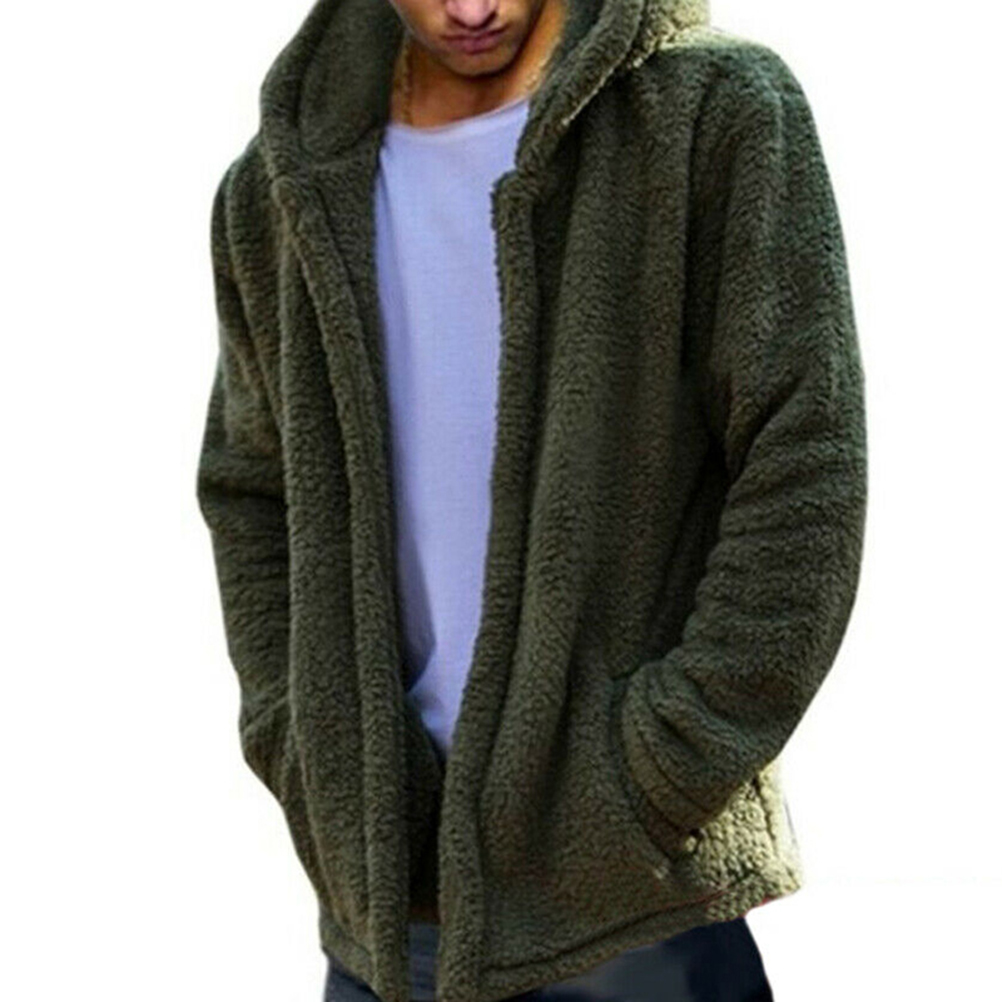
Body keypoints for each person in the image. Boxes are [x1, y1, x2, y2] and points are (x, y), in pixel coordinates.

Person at [195, 1, 867, 1000]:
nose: (473, 8)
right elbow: (252, 489)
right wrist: (304, 737)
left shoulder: (714, 110)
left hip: (632, 900)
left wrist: (662, 769)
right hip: (392, 914)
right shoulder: (277, 187)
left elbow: (802, 458)